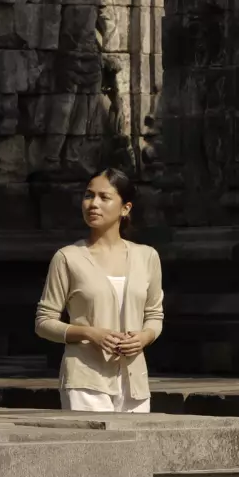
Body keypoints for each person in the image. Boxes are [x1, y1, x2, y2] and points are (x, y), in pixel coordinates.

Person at [34, 168, 164, 413]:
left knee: (137, 451)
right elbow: (44, 322)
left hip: (134, 383)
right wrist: (90, 333)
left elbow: (155, 316)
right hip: (85, 382)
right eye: (88, 196)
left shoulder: (147, 257)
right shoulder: (67, 258)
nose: (93, 204)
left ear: (125, 208)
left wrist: (144, 337)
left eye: (104, 197)